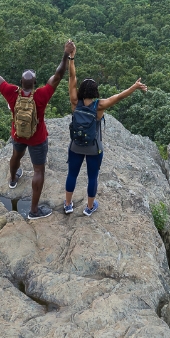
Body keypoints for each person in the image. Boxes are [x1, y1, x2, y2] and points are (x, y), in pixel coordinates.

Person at [0, 36, 75, 220]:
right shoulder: (42, 95)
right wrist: (66, 54)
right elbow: (58, 75)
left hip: (18, 135)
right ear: (34, 83)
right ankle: (34, 211)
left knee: (16, 156)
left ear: (20, 82)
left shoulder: (11, 92)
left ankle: (12, 180)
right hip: (38, 138)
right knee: (38, 171)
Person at [64, 53, 147, 216]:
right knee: (92, 177)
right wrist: (134, 86)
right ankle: (89, 207)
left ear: (81, 90)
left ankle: (68, 205)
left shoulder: (75, 102)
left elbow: (72, 77)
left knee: (72, 174)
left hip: (75, 146)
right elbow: (120, 96)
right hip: (93, 148)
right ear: (95, 91)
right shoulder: (99, 106)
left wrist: (71, 58)